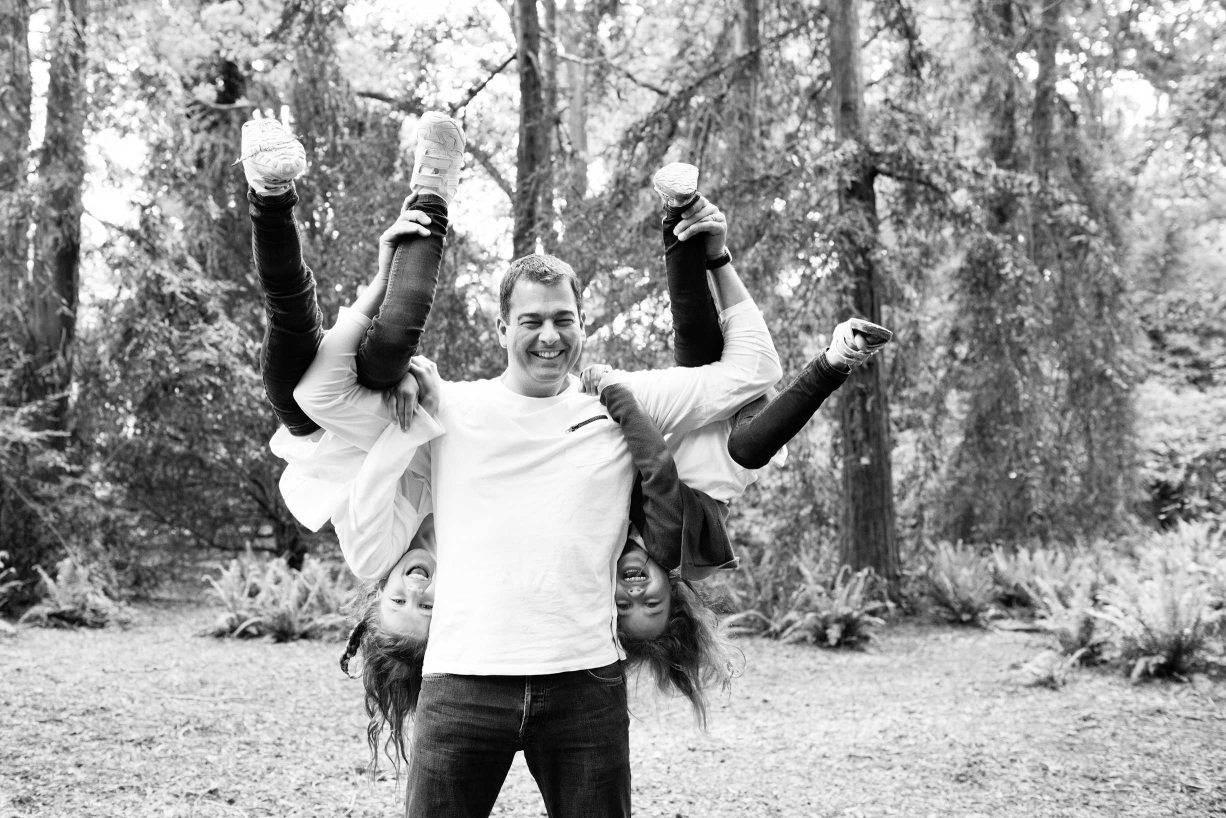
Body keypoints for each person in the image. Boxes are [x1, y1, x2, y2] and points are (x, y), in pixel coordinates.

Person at [289, 153, 782, 816]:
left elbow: (755, 369)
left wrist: (718, 261)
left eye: (563, 320)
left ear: (581, 322)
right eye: (531, 322)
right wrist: (381, 282)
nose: (550, 337)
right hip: (463, 683)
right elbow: (318, 392)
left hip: (583, 686)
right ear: (501, 330)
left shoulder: (615, 398)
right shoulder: (446, 406)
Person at [585, 163, 890, 717]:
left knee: (701, 345)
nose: (634, 591)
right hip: (715, 458)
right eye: (650, 601)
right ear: (672, 594)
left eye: (623, 603)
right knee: (750, 439)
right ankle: (836, 357)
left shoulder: (603, 549)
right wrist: (613, 391)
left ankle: (680, 215)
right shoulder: (662, 546)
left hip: (691, 434)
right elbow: (654, 467)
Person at [239, 111, 465, 768]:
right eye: (427, 605)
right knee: (393, 347)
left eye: (400, 601)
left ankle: (271, 190)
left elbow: (389, 459)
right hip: (373, 420)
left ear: (375, 602)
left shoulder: (373, 555)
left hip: (327, 431)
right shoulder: (462, 548)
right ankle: (434, 188)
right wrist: (420, 384)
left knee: (292, 329)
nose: (416, 588)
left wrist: (413, 399)